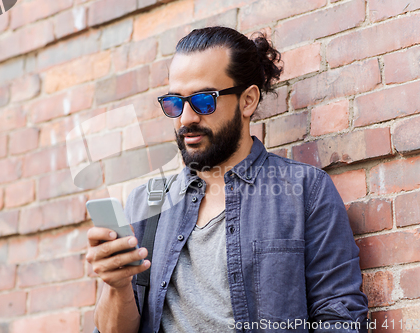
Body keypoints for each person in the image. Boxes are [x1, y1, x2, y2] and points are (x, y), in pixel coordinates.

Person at [86, 26, 369, 333]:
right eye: (175, 103)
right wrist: (117, 286)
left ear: (247, 101)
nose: (186, 119)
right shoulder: (148, 202)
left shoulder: (304, 191)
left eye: (204, 101)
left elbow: (341, 317)